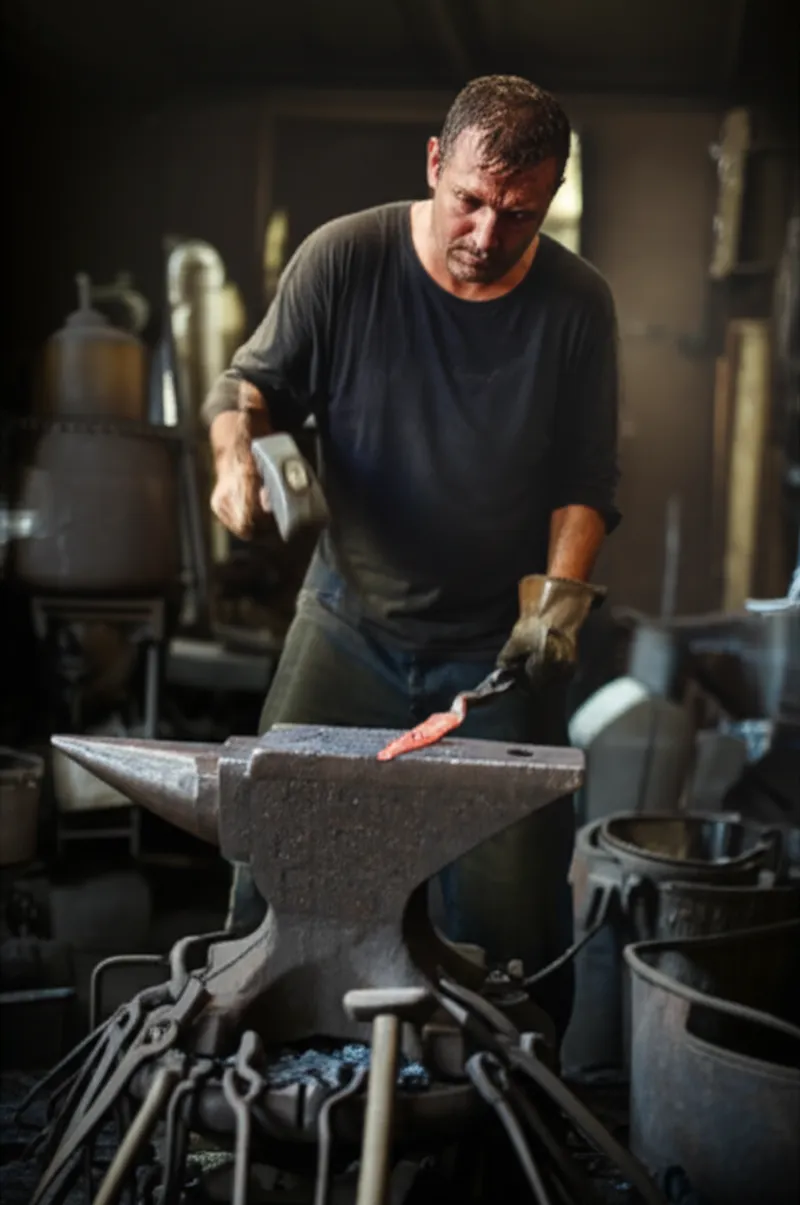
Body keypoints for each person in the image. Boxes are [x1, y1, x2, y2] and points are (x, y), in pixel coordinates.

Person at [202, 75, 620, 1039]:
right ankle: (242, 1076)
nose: (487, 232)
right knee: (273, 851)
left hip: (496, 649)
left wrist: (555, 608)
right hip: (348, 622)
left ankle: (518, 1093)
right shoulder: (344, 259)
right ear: (435, 163)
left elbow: (587, 479)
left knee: (516, 910)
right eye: (470, 199)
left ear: (550, 198)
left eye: (518, 213)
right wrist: (234, 458)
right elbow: (247, 386)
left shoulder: (578, 304)